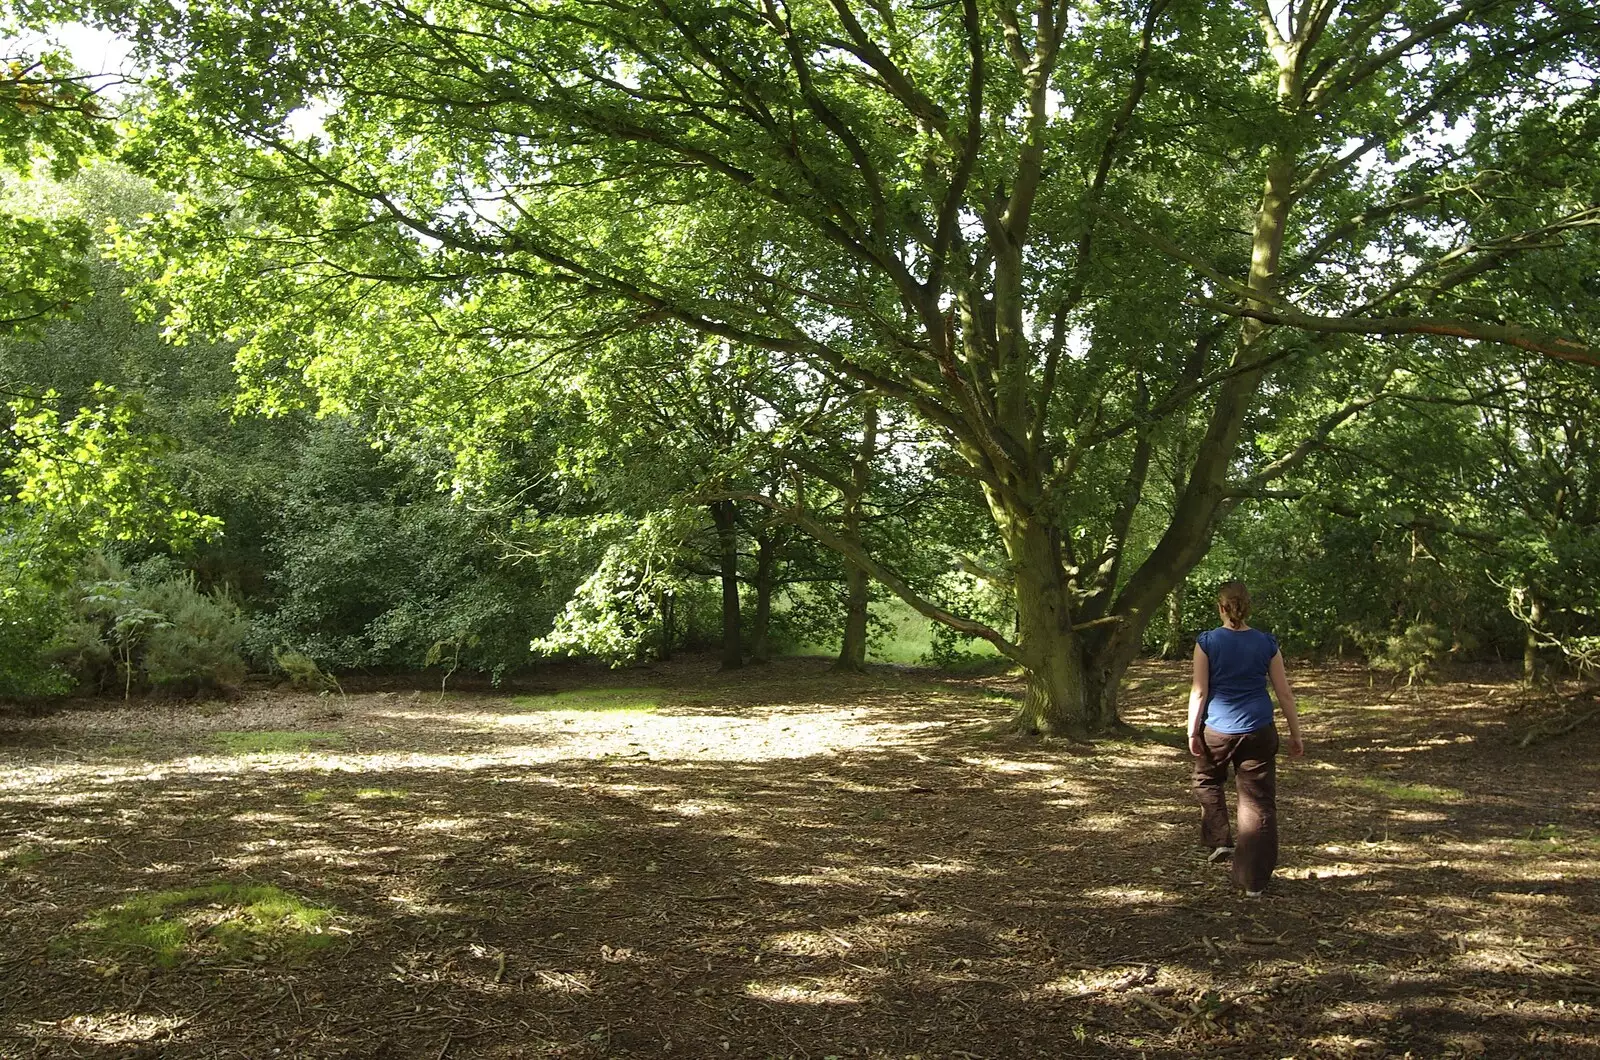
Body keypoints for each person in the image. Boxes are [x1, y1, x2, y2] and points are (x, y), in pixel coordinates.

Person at [1186, 581, 1304, 896]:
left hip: (1218, 730)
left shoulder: (1207, 642)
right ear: (1246, 607)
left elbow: (1200, 691)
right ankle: (1253, 883)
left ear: (1221, 607)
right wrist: (1295, 733)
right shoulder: (1267, 643)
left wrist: (1192, 730)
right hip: (1259, 730)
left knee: (1206, 780)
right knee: (1258, 803)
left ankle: (1220, 839)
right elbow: (1285, 694)